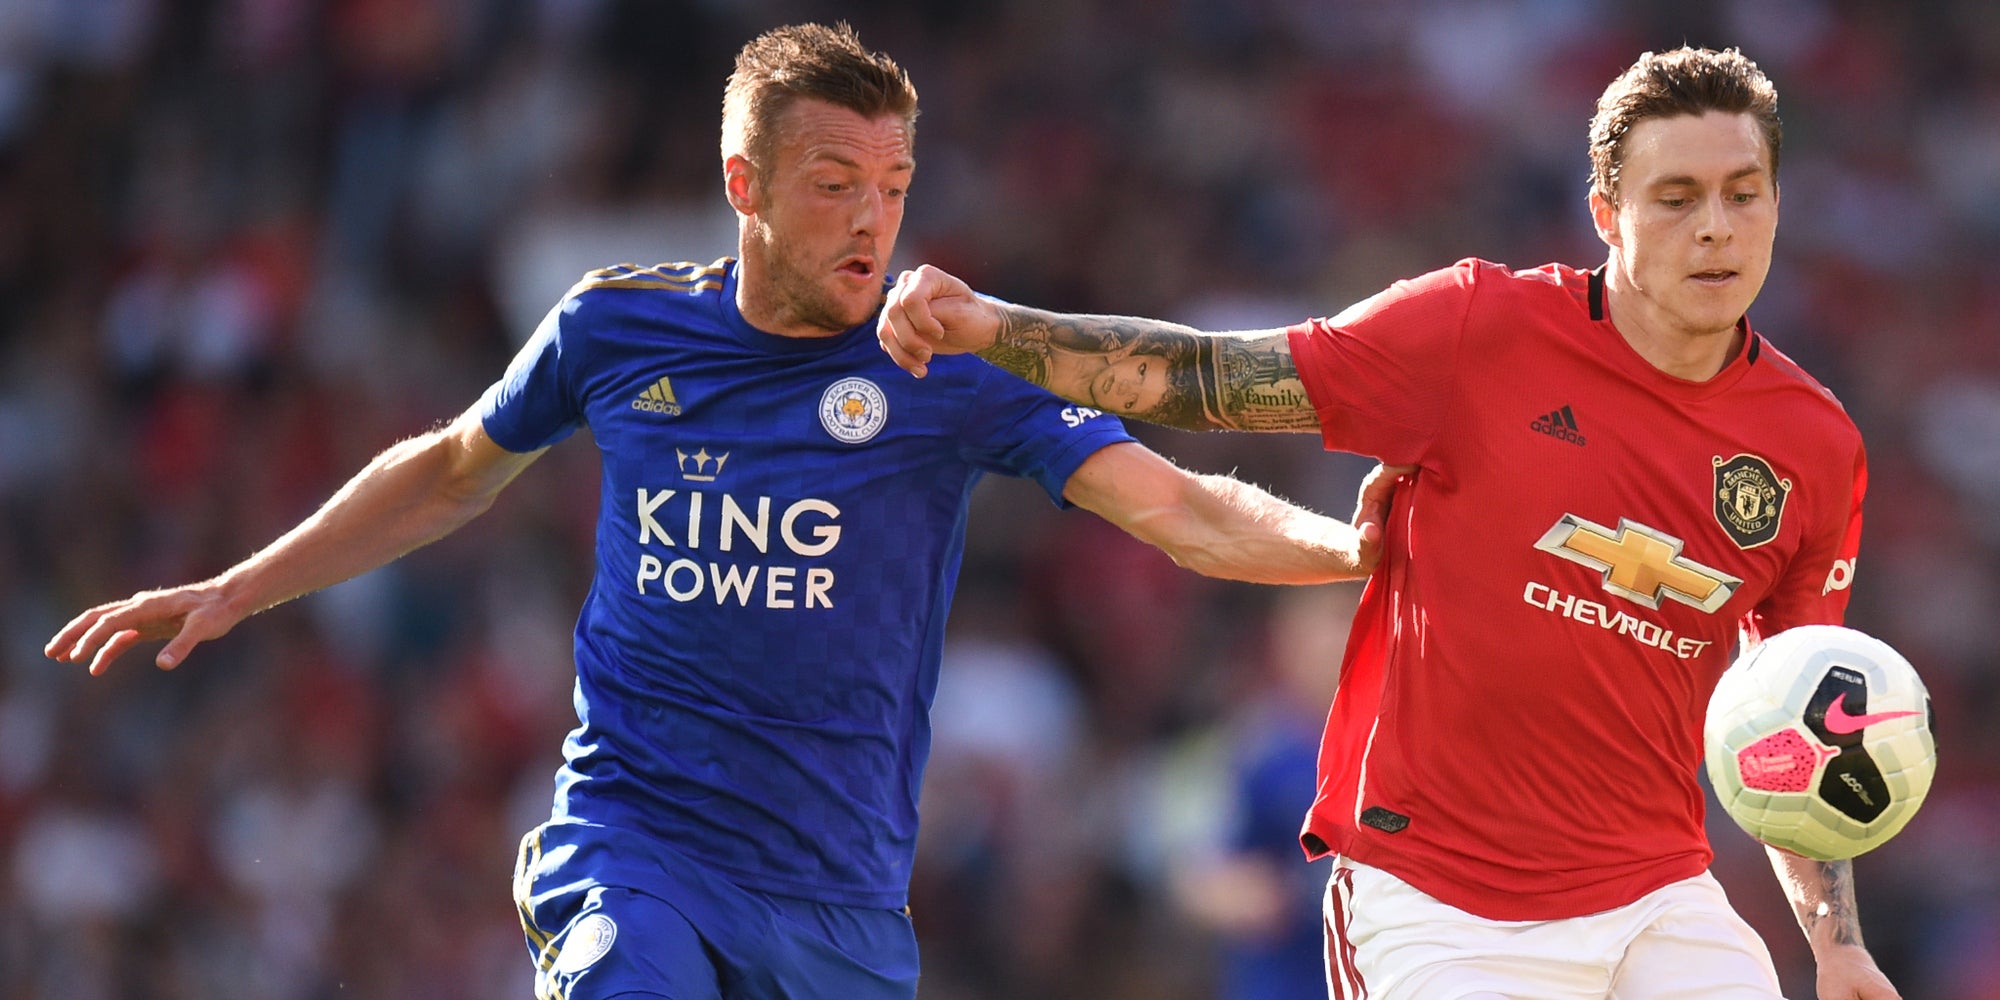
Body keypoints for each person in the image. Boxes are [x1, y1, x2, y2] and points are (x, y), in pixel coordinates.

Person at [44, 22, 1399, 1000]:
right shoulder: (616, 328)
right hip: (637, 848)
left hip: (836, 905)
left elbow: (1179, 510)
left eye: (893, 188)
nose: (872, 223)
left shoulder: (947, 366)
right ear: (744, 185)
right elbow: (453, 467)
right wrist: (242, 584)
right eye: (833, 185)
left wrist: (1354, 554)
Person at [879, 45, 1900, 1000]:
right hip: (1439, 902)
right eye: (1674, 198)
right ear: (1605, 211)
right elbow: (1208, 377)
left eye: (1742, 193)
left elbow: (1794, 719)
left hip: (1659, 896)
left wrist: (1835, 940)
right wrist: (996, 329)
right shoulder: (1474, 329)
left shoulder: (1813, 445)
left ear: (1777, 203)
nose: (1715, 227)